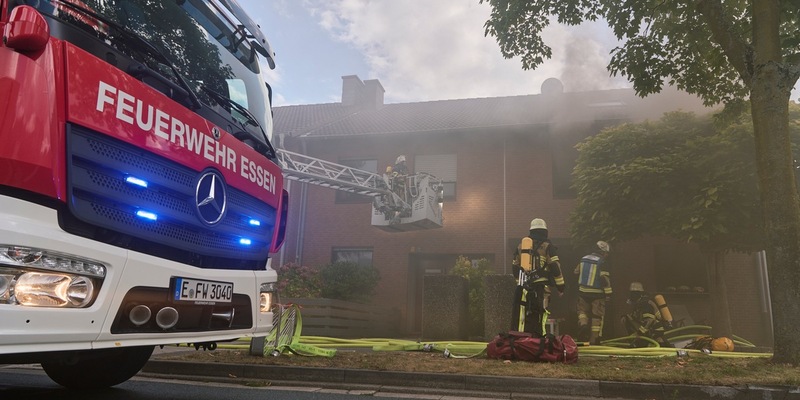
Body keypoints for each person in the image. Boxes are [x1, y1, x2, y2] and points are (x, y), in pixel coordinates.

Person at [511, 218, 566, 336]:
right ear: (545, 231)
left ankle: (522, 339)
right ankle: (539, 339)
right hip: (541, 288)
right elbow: (555, 268)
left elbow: (515, 267)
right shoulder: (548, 247)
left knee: (523, 314)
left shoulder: (521, 246)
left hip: (523, 288)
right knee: (540, 313)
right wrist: (561, 287)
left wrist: (520, 284)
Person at [574, 241, 612, 344]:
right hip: (597, 294)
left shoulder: (583, 259)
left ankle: (583, 325)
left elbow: (576, 272)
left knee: (582, 312)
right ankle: (594, 340)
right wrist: (608, 294)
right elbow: (604, 279)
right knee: (597, 316)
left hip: (583, 292)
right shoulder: (602, 261)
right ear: (603, 252)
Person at [620, 282, 673, 347]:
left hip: (655, 330)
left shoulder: (645, 304)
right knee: (626, 318)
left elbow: (650, 320)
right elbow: (634, 318)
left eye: (634, 293)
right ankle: (638, 342)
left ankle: (645, 343)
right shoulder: (639, 303)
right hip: (649, 330)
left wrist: (639, 333)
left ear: (639, 294)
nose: (632, 295)